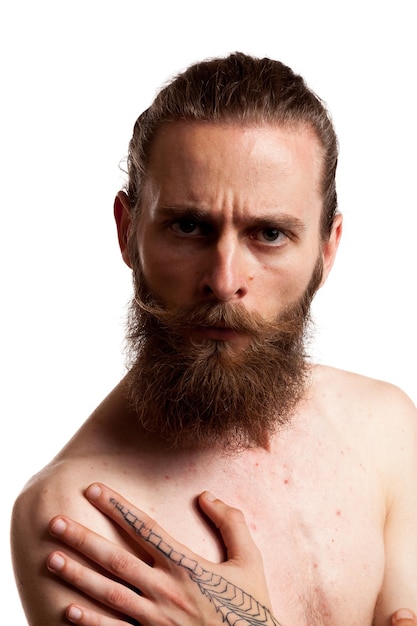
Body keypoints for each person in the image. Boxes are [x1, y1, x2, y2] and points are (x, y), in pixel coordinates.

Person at [10, 52, 417, 625]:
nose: (224, 281)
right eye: (188, 227)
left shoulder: (384, 428)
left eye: (269, 234)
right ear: (128, 232)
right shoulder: (79, 514)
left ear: (328, 248)